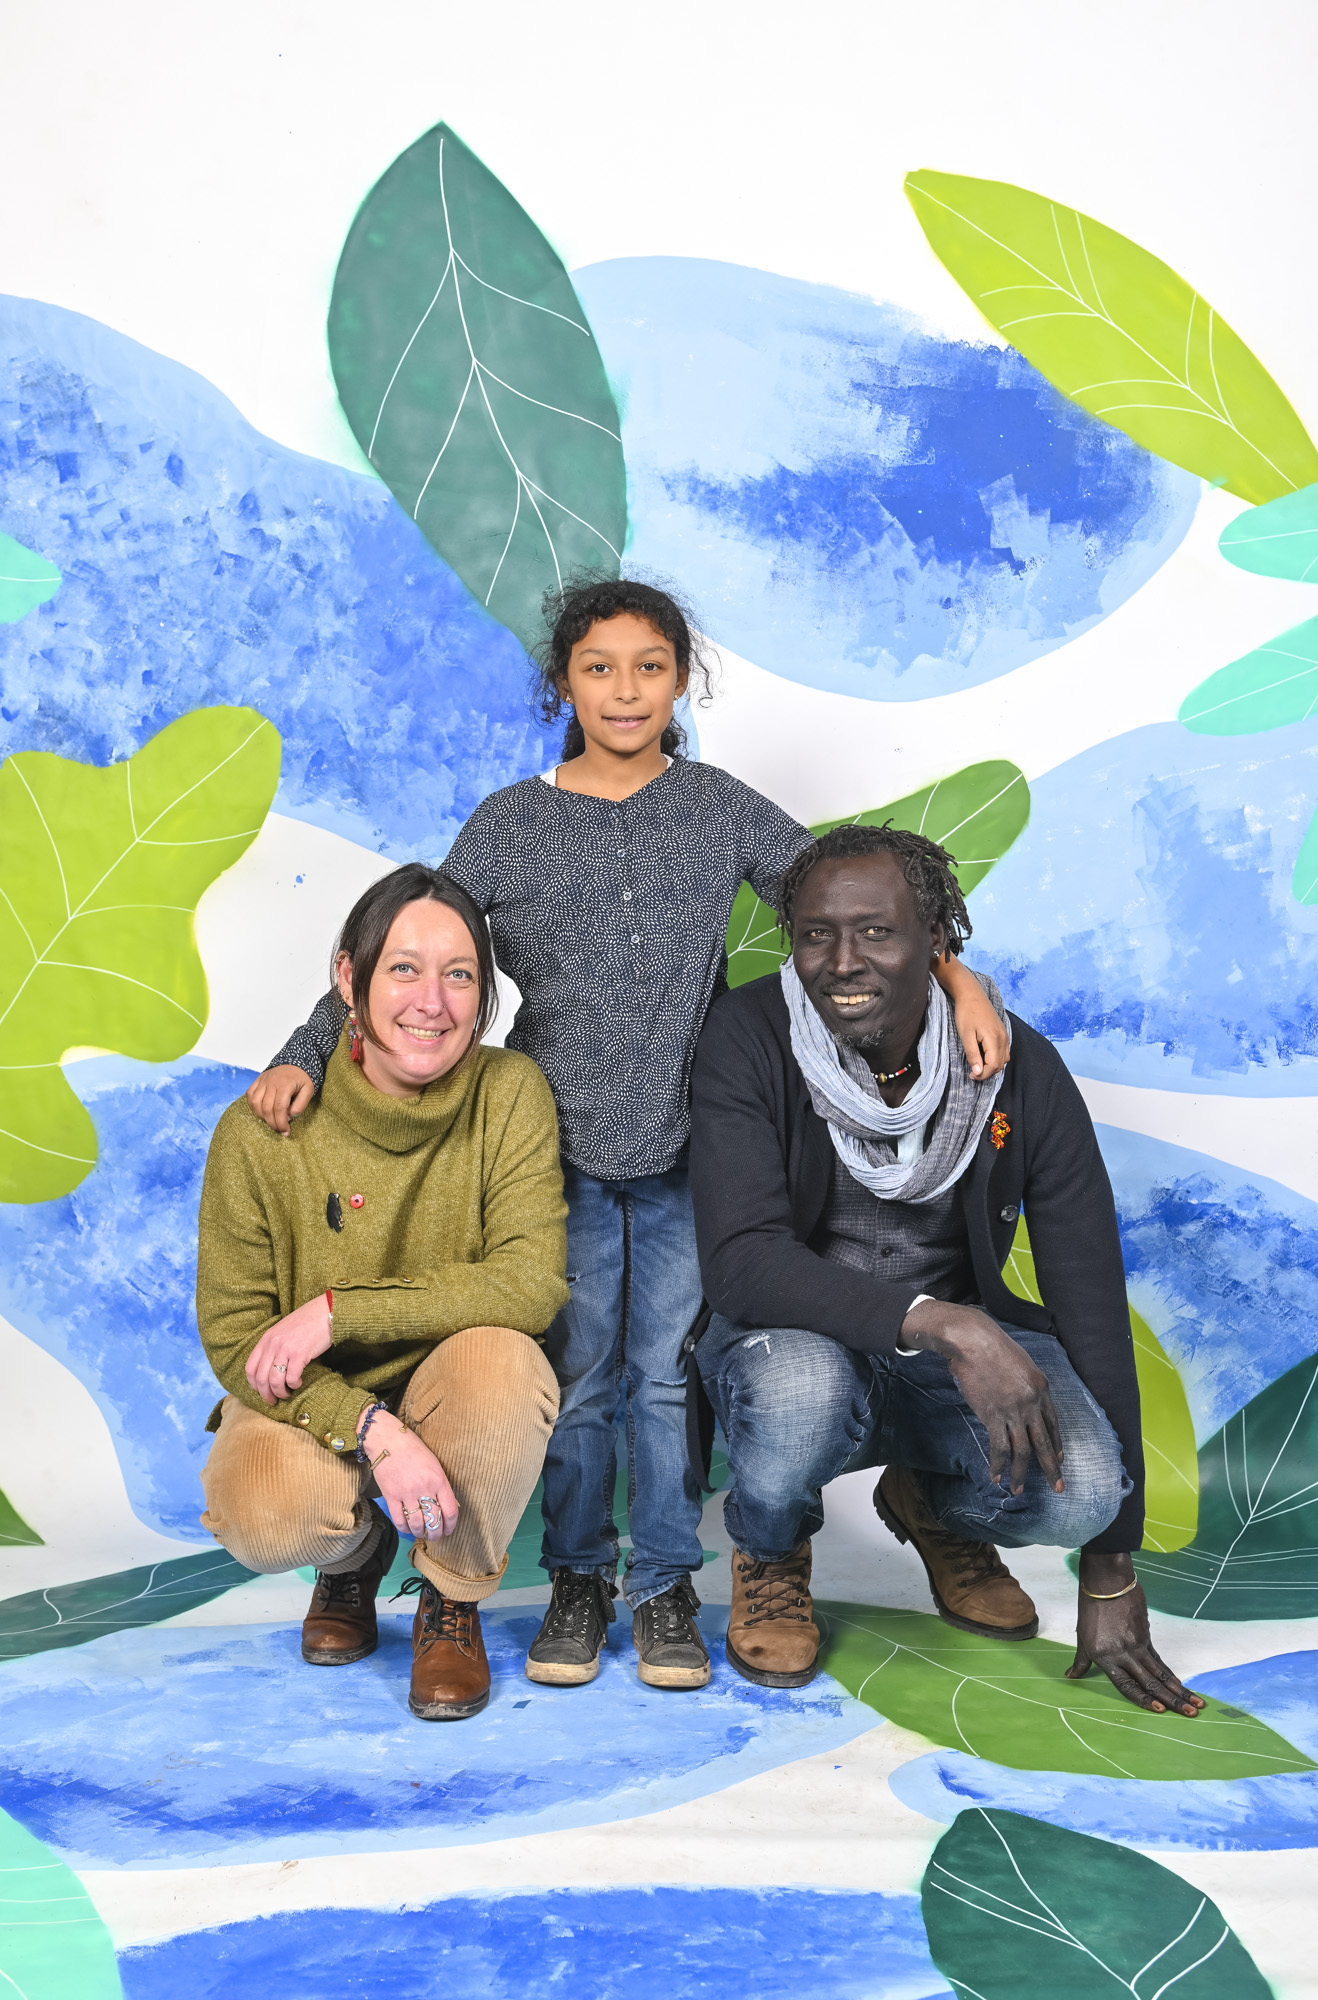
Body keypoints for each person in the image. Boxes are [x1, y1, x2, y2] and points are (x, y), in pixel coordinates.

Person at [244, 578, 1011, 1693]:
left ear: (680, 681)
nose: (624, 689)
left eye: (650, 666)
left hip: (692, 1150)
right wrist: (305, 1050)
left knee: (664, 1379)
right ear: (562, 683)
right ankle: (576, 1578)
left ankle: (661, 1585)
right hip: (542, 1151)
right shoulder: (510, 823)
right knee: (580, 1378)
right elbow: (406, 942)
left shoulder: (716, 806)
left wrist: (955, 972)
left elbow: (849, 896)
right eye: (598, 666)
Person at [687, 822, 1205, 1720]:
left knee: (1083, 1491)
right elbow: (741, 1262)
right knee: (799, 1395)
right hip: (798, 1340)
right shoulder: (749, 1034)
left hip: (943, 1367)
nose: (842, 962)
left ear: (935, 940)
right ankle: (770, 1553)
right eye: (815, 934)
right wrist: (949, 1324)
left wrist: (1109, 1568)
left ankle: (931, 1505)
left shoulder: (1014, 1065)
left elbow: (1086, 1287)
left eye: (875, 932)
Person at [196, 864, 567, 1721]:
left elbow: (530, 1283)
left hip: (457, 1381)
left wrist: (340, 1312)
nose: (431, 1002)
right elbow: (236, 1337)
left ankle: (450, 1595)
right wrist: (373, 1429)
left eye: (459, 974)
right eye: (403, 968)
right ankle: (352, 1559)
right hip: (316, 1395)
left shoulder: (509, 1092)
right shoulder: (259, 1132)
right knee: (264, 1515)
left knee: (507, 1364)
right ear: (348, 978)